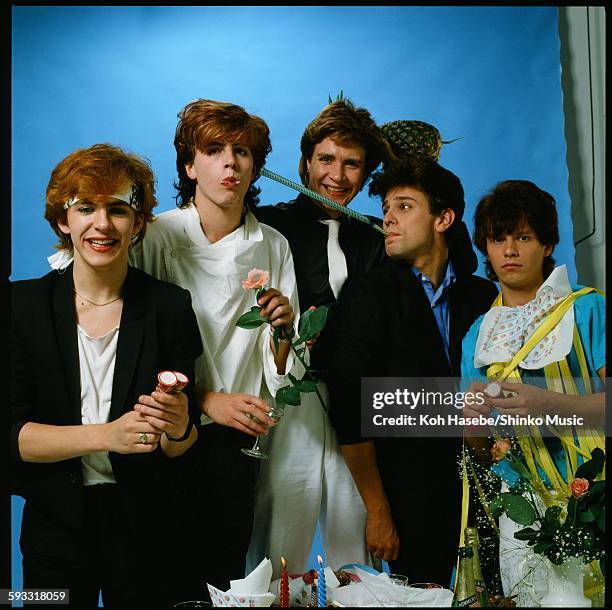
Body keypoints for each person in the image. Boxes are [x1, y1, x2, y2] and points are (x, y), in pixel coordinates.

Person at [12, 143, 203, 607]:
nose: (102, 224)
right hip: (53, 530)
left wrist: (178, 426)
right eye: (85, 209)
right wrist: (109, 435)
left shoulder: (169, 307)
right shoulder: (20, 308)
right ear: (64, 220)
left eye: (118, 210)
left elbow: (182, 443)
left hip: (146, 529)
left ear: (137, 225)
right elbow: (14, 437)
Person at [129, 99, 299, 592]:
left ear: (255, 165)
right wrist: (206, 400)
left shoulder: (273, 245)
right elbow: (135, 349)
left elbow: (284, 368)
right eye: (214, 149)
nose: (231, 162)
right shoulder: (156, 236)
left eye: (243, 151)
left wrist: (285, 332)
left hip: (236, 442)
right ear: (189, 165)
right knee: (161, 578)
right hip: (164, 431)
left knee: (222, 580)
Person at [327, 156, 498, 585]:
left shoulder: (483, 297)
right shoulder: (367, 294)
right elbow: (350, 409)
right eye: (386, 209)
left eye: (403, 206)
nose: (388, 218)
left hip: (489, 490)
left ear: (444, 218)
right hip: (409, 498)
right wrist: (378, 510)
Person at [249, 98, 388, 576]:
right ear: (306, 162)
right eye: (327, 159)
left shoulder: (374, 238)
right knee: (280, 541)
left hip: (358, 404)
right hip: (294, 401)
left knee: (357, 541)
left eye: (353, 164)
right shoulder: (269, 224)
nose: (338, 175)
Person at [460, 180, 605, 605]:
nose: (509, 250)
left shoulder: (588, 309)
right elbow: (483, 451)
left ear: (547, 244)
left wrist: (551, 404)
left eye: (523, 237)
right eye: (497, 238)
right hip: (520, 503)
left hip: (593, 491)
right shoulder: (478, 335)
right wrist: (471, 424)